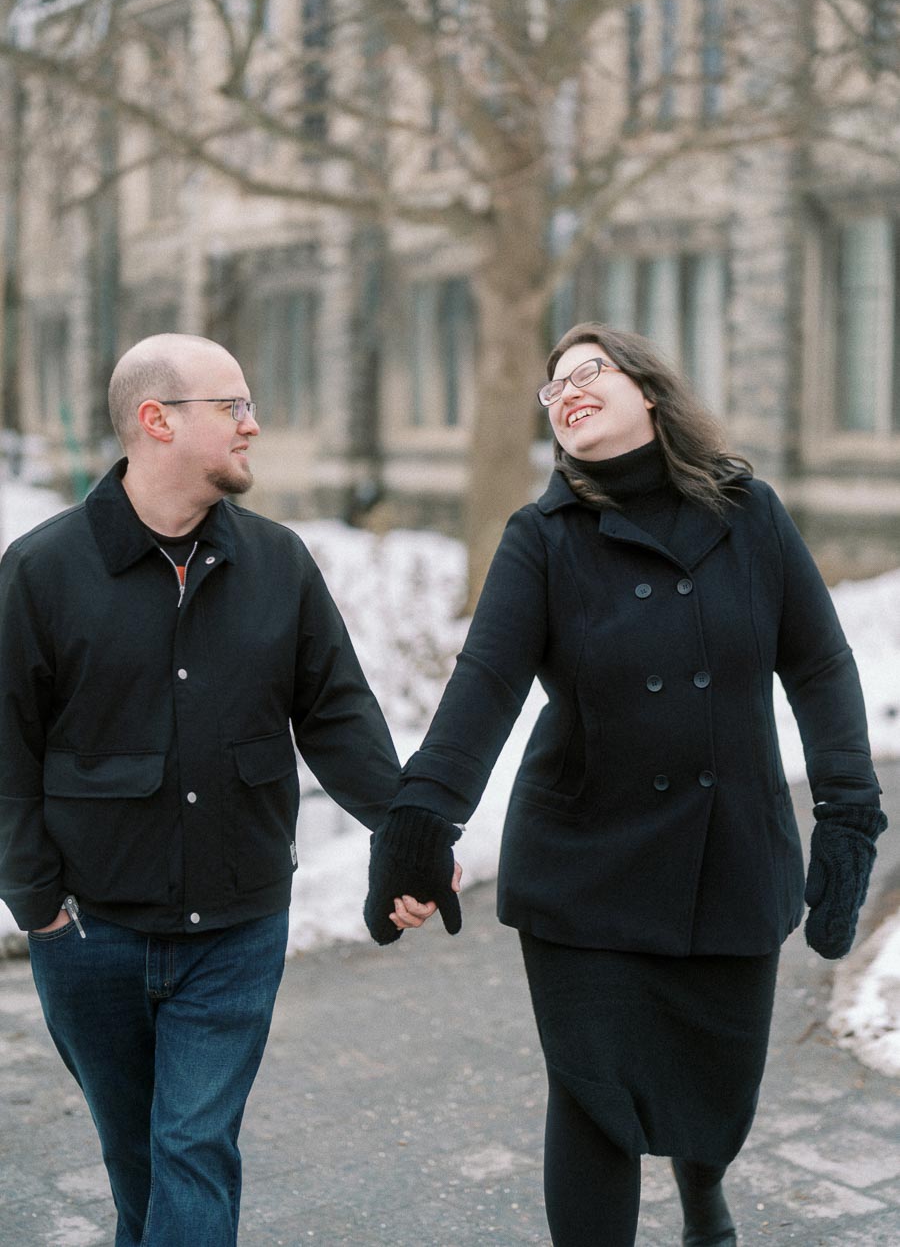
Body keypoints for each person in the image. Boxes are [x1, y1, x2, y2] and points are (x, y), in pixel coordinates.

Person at [366, 322, 888, 1246]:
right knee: (594, 1099)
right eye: (553, 387)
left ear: (647, 389)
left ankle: (702, 1189)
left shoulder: (749, 512)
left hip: (729, 853)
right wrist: (421, 818)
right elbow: (484, 685)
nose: (567, 391)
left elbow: (819, 664)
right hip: (584, 865)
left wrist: (848, 815)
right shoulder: (542, 539)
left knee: (717, 1086)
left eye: (588, 371)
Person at [0, 333, 440, 1247]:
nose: (255, 423)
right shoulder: (40, 572)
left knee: (193, 1145)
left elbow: (337, 716)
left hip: (237, 928)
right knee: (138, 1159)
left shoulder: (278, 563)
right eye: (232, 406)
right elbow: (5, 747)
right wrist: (36, 901)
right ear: (156, 422)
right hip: (90, 935)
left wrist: (404, 832)